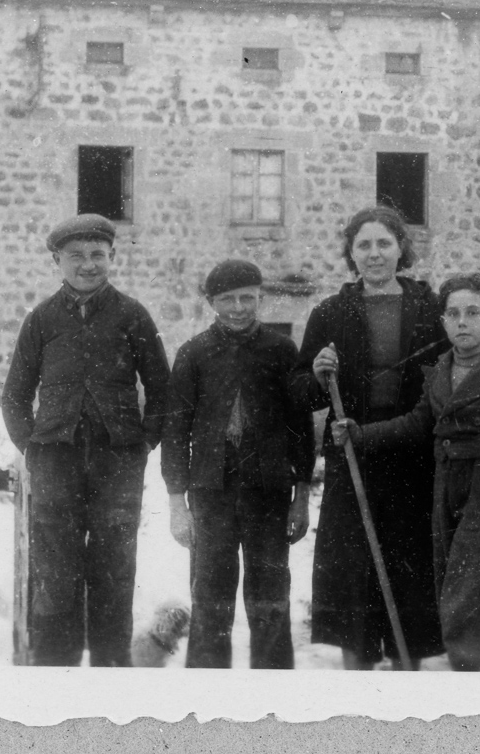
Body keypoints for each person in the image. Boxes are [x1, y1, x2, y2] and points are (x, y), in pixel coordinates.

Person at [331, 273, 480, 671]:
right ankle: (473, 671)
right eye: (453, 314)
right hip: (445, 486)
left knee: (473, 592)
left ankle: (479, 677)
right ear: (443, 322)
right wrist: (360, 434)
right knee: (449, 583)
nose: (462, 322)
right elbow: (418, 423)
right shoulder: (439, 369)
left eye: (473, 312)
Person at [1, 213, 172, 667]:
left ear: (112, 257)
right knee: (56, 565)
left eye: (98, 254)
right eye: (76, 255)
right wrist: (32, 448)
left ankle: (110, 666)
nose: (88, 264)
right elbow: (15, 395)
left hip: (119, 459)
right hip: (55, 459)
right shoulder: (41, 320)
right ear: (57, 261)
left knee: (114, 563)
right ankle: (54, 667)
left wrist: (144, 444)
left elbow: (162, 389)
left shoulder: (132, 315)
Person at [291, 205, 446, 669]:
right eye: (364, 245)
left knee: (408, 571)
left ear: (401, 249)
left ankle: (404, 674)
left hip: (412, 454)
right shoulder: (330, 312)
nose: (374, 253)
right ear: (351, 253)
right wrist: (318, 374)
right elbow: (301, 392)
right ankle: (358, 678)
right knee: (353, 574)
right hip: (350, 452)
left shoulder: (430, 308)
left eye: (384, 243)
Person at [163, 259, 314, 669]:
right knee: (210, 601)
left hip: (269, 494)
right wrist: (177, 505)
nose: (238, 307)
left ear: (260, 297)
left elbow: (301, 429)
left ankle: (271, 689)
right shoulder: (193, 353)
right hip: (211, 493)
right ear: (211, 302)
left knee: (270, 601)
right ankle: (209, 693)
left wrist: (301, 499)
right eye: (227, 299)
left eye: (247, 297)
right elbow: (175, 433)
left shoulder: (281, 351)